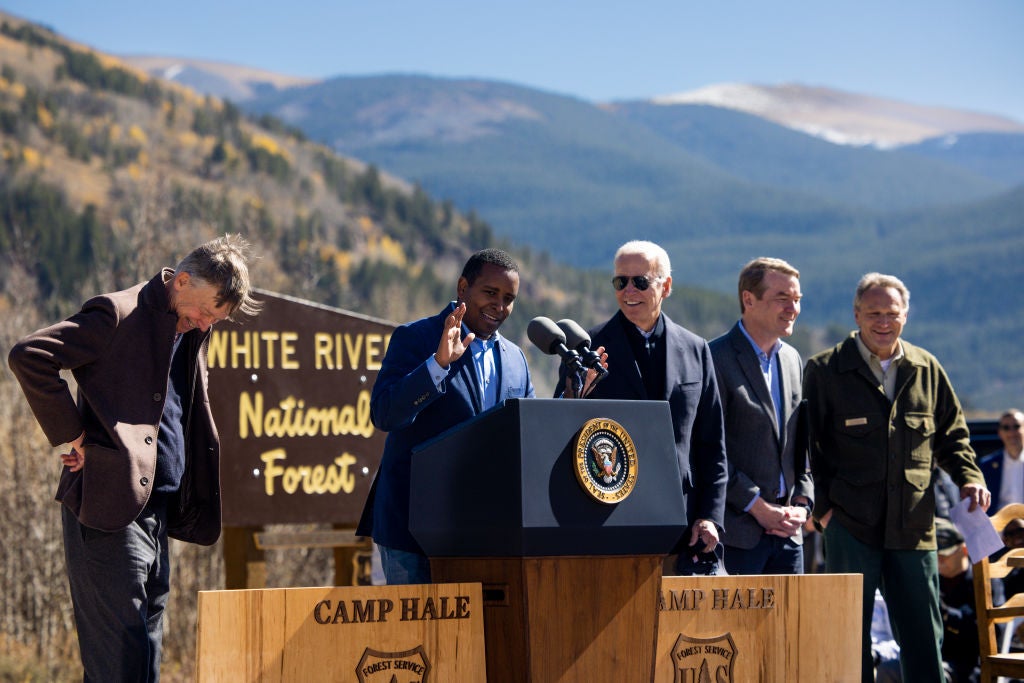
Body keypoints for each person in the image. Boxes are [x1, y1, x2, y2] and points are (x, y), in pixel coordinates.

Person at [8, 234, 260, 682]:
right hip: (108, 509)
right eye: (205, 312)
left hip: (158, 514)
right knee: (120, 665)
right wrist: (73, 433)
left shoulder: (188, 325)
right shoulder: (115, 314)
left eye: (215, 320)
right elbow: (30, 355)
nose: (205, 325)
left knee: (145, 660)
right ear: (181, 281)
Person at [803, 272, 990, 683]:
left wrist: (969, 478)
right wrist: (823, 511)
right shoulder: (825, 370)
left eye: (892, 313)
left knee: (924, 638)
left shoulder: (927, 368)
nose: (883, 321)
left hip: (914, 528)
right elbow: (806, 448)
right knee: (846, 640)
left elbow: (954, 438)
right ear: (856, 314)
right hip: (850, 526)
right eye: (873, 313)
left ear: (906, 315)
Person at [356, 248, 535, 584]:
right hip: (412, 533)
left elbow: (526, 435)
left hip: (484, 534)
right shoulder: (417, 338)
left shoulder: (515, 360)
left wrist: (571, 395)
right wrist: (436, 366)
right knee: (417, 638)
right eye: (490, 293)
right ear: (462, 287)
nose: (500, 306)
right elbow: (385, 414)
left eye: (509, 298)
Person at [559, 240, 727, 574]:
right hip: (610, 519)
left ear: (665, 286)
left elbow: (712, 447)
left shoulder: (696, 350)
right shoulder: (586, 349)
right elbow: (560, 429)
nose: (628, 290)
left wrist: (710, 516)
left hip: (682, 526)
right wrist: (577, 392)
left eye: (640, 281)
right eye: (620, 282)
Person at [710, 257, 813, 575]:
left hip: (789, 536)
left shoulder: (793, 360)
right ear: (749, 300)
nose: (792, 308)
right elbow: (709, 449)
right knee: (736, 627)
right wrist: (757, 506)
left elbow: (801, 444)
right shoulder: (715, 358)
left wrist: (802, 503)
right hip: (739, 535)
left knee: (790, 627)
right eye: (782, 298)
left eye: (796, 300)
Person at [979, 408, 1024, 511]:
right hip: (998, 525)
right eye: (1006, 428)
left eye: (1016, 426)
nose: (1012, 433)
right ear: (1000, 433)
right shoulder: (986, 466)